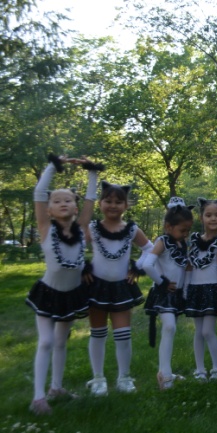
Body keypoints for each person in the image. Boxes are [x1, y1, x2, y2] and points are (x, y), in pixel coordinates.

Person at [26, 154, 100, 415]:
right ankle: (38, 398)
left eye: (68, 200)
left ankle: (56, 388)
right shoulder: (46, 229)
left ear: (75, 207)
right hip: (48, 293)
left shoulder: (80, 229)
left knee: (60, 342)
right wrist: (53, 166)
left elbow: (91, 199)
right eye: (56, 201)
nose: (63, 203)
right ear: (49, 210)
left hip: (71, 294)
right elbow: (39, 192)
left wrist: (92, 172)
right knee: (46, 341)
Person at [83, 181, 152, 396]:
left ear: (126, 205)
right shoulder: (93, 228)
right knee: (98, 333)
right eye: (108, 201)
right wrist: (83, 267)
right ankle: (98, 378)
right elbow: (75, 246)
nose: (113, 205)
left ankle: (124, 377)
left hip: (121, 288)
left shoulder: (131, 229)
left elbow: (149, 249)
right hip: (96, 287)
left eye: (118, 202)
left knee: (123, 334)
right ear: (100, 203)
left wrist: (137, 267)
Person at [142, 197, 193, 390]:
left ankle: (166, 372)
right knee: (169, 327)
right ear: (168, 227)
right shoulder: (162, 242)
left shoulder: (181, 244)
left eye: (188, 230)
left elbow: (183, 267)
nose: (185, 234)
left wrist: (186, 287)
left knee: (170, 330)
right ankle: (165, 375)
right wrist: (162, 282)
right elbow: (147, 265)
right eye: (182, 230)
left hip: (177, 294)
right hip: (164, 294)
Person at [184, 198, 217, 382]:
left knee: (207, 331)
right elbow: (189, 266)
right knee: (198, 332)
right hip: (195, 289)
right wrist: (185, 289)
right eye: (209, 215)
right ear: (201, 217)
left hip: (213, 290)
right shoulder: (194, 240)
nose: (213, 219)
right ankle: (200, 369)